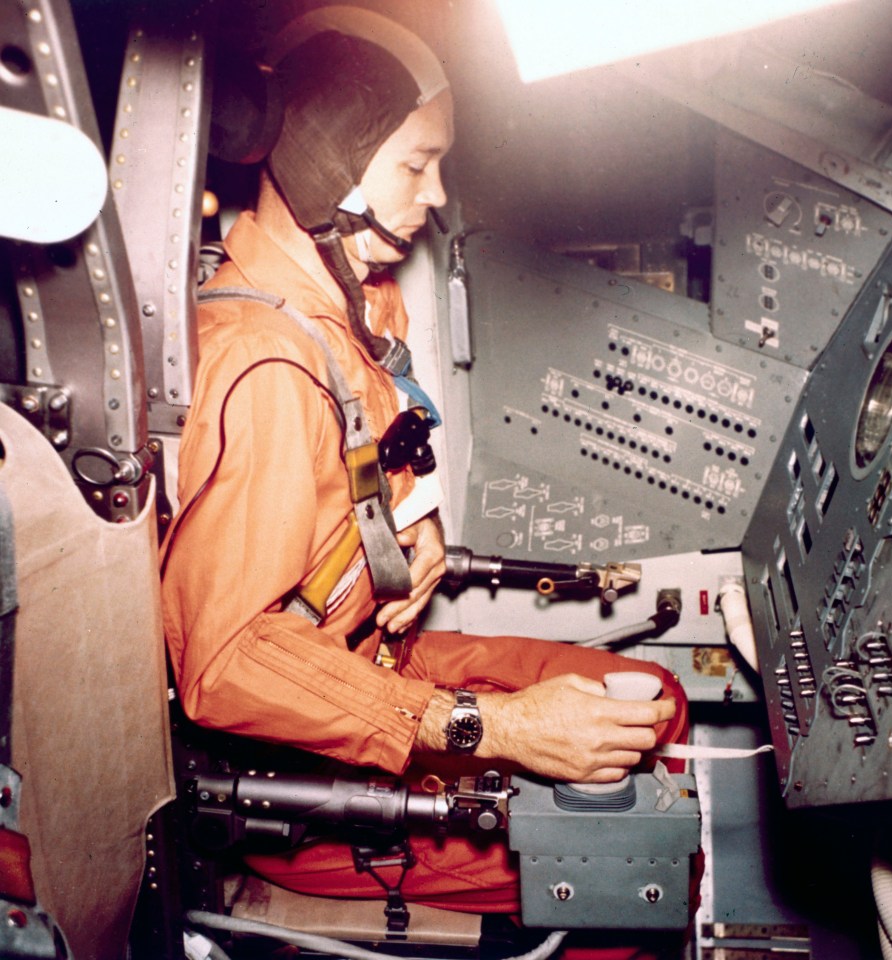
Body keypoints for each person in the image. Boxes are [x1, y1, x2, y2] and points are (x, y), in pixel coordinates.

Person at [160, 3, 689, 915]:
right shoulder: (267, 370)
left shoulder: (353, 312)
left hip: (384, 661)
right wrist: (498, 728)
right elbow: (230, 659)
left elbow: (383, 448)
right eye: (414, 163)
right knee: (630, 869)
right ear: (326, 159)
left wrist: (417, 528)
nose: (436, 194)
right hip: (300, 766)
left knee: (649, 701)